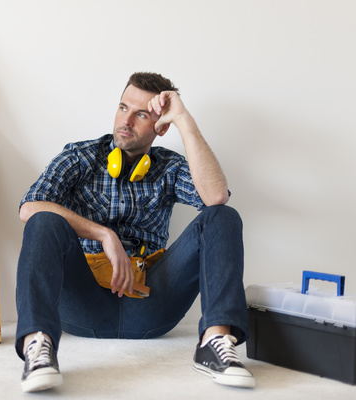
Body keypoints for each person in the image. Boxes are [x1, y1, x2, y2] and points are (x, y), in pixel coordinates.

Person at [15, 72, 254, 392]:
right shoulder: (80, 156)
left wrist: (183, 119)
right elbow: (29, 207)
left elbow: (215, 196)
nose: (126, 120)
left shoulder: (170, 166)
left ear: (161, 126)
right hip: (84, 303)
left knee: (222, 216)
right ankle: (38, 346)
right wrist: (103, 235)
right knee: (44, 218)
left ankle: (214, 343)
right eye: (123, 107)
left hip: (152, 305)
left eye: (141, 114)